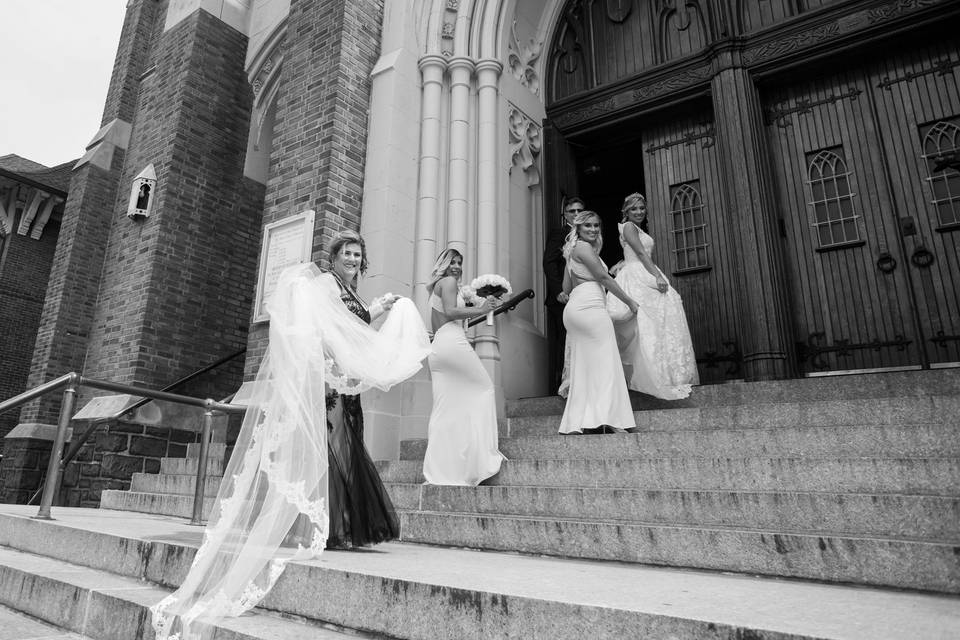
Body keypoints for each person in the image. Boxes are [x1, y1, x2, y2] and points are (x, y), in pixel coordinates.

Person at [150, 232, 431, 640]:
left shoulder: (349, 290)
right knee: (335, 449)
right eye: (347, 253)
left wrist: (379, 309)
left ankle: (346, 526)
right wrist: (331, 366)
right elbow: (318, 330)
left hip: (345, 381)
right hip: (328, 383)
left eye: (358, 254)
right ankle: (332, 528)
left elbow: (351, 327)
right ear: (333, 258)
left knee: (349, 449)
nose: (353, 258)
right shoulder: (323, 285)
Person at [422, 248, 505, 485]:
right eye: (453, 262)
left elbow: (448, 310)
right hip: (452, 341)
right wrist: (482, 309)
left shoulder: (440, 286)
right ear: (443, 264)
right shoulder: (448, 282)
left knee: (446, 408)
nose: (457, 266)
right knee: (484, 389)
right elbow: (450, 312)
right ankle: (481, 459)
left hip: (438, 346)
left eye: (460, 262)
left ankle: (440, 471)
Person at [607, 193, 699, 399]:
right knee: (648, 323)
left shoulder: (636, 228)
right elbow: (640, 253)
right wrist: (657, 275)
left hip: (642, 270)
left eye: (641, 208)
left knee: (660, 321)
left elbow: (635, 253)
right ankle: (653, 373)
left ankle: (664, 372)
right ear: (626, 211)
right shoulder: (629, 227)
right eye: (634, 209)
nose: (639, 212)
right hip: (641, 274)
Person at [559, 211, 637, 435]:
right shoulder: (583, 248)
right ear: (578, 229)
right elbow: (603, 278)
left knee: (584, 366)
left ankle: (577, 421)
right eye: (588, 226)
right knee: (606, 362)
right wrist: (629, 301)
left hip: (575, 309)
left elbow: (566, 289)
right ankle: (609, 418)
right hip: (590, 307)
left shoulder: (572, 251)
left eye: (596, 226)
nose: (593, 230)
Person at [543, 196, 584, 394]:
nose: (576, 214)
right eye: (572, 211)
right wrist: (558, 290)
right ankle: (562, 385)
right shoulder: (559, 233)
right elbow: (549, 263)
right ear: (565, 214)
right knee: (564, 340)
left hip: (583, 296)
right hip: (562, 297)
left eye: (579, 211)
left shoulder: (588, 234)